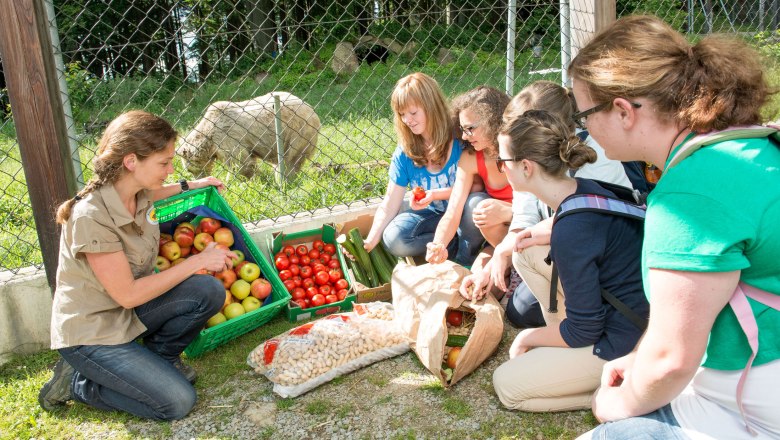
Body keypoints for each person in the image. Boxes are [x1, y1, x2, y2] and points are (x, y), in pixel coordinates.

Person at [568, 15, 780, 438]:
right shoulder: (748, 144)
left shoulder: (688, 196)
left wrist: (617, 404)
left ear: (623, 111)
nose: (582, 130)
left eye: (584, 115)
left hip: (759, 401)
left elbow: (672, 361)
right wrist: (641, 357)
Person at [38, 110, 235, 420]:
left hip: (127, 315)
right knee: (177, 401)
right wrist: (198, 260)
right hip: (95, 332)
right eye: (164, 163)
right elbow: (128, 295)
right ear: (131, 161)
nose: (170, 170)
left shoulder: (136, 193)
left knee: (207, 290)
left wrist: (192, 185)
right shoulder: (92, 216)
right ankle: (79, 384)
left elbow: (156, 193)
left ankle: (159, 360)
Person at [489, 110, 648, 412]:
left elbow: (584, 330)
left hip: (626, 338)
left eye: (502, 161)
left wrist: (528, 336)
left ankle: (622, 391)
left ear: (526, 167)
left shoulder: (572, 230)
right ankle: (567, 357)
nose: (500, 168)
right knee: (527, 254)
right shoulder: (583, 190)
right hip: (630, 312)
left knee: (507, 386)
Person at [460, 80, 633, 328]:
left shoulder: (597, 157)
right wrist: (492, 263)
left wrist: (516, 244)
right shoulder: (528, 161)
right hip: (567, 251)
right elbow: (525, 214)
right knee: (519, 311)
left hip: (607, 260)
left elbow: (591, 218)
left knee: (528, 309)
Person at [364, 72, 484, 266]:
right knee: (393, 238)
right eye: (402, 114)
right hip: (432, 216)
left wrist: (435, 194)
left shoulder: (459, 140)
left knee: (476, 204)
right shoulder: (404, 152)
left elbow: (478, 188)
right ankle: (449, 245)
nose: (407, 120)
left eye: (413, 113)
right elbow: (390, 203)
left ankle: (466, 259)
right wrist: (370, 240)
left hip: (463, 213)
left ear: (431, 107)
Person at [425, 86, 510, 265]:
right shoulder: (471, 158)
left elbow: (542, 209)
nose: (464, 136)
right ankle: (469, 258)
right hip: (498, 236)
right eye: (462, 129)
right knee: (475, 204)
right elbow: (453, 211)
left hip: (529, 228)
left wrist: (509, 212)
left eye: (470, 128)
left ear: (493, 121)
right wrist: (438, 243)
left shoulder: (521, 151)